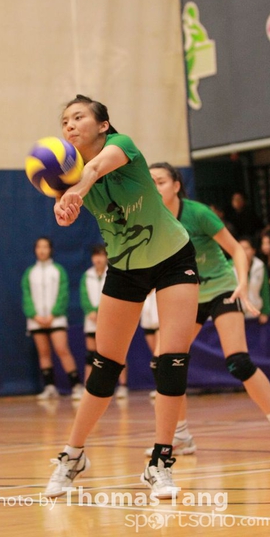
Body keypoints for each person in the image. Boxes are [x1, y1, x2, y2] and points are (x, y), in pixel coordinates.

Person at [44, 95, 199, 499]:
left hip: (173, 258)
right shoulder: (67, 173)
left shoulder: (121, 145)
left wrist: (77, 191)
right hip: (126, 268)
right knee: (105, 366)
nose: (70, 125)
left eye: (78, 117)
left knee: (172, 359)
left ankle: (160, 462)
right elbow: (67, 200)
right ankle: (73, 455)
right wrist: (64, 207)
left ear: (102, 124)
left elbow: (95, 169)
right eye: (64, 121)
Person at [146, 163, 270, 457]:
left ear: (176, 186)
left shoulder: (198, 213)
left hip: (223, 289)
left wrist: (243, 283)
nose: (154, 187)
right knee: (163, 363)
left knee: (238, 362)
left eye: (160, 181)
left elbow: (236, 250)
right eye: (150, 182)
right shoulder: (152, 219)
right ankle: (181, 435)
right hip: (188, 295)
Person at [21, 237, 84, 401]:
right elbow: (26, 296)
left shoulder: (58, 270)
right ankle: (50, 387)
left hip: (56, 319)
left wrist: (54, 314)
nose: (42, 250)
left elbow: (63, 294)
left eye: (45, 247)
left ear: (50, 249)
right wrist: (34, 314)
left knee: (62, 349)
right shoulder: (30, 273)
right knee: (43, 353)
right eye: (39, 247)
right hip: (36, 320)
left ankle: (76, 385)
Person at [80, 243, 128, 398]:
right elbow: (84, 296)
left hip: (110, 319)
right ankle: (88, 386)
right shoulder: (87, 275)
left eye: (101, 255)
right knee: (91, 355)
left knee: (118, 352)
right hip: (92, 320)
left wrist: (101, 311)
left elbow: (114, 294)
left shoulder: (113, 273)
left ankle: (122, 385)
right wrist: (90, 311)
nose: (98, 259)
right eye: (96, 255)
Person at [239, 236, 270, 324]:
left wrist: (265, 311)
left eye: (246, 248)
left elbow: (265, 290)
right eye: (240, 248)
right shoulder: (229, 266)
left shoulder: (260, 266)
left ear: (253, 250)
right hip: (236, 312)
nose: (243, 251)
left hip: (255, 312)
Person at [140, 289, 160, 400]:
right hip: (147, 319)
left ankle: (163, 388)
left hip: (159, 317)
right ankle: (159, 386)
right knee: (155, 355)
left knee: (159, 357)